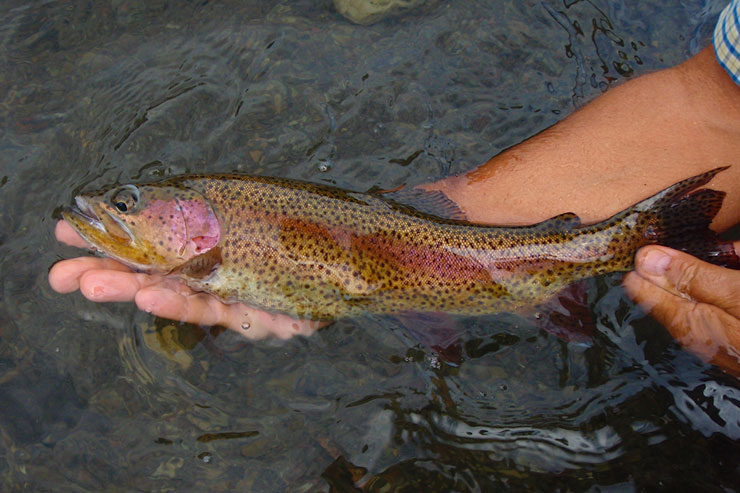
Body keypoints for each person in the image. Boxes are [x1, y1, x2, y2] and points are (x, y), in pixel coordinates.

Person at [49, 1, 740, 372]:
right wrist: (464, 218)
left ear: (192, 220)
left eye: (127, 206)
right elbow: (718, 109)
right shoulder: (213, 240)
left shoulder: (222, 219)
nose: (115, 211)